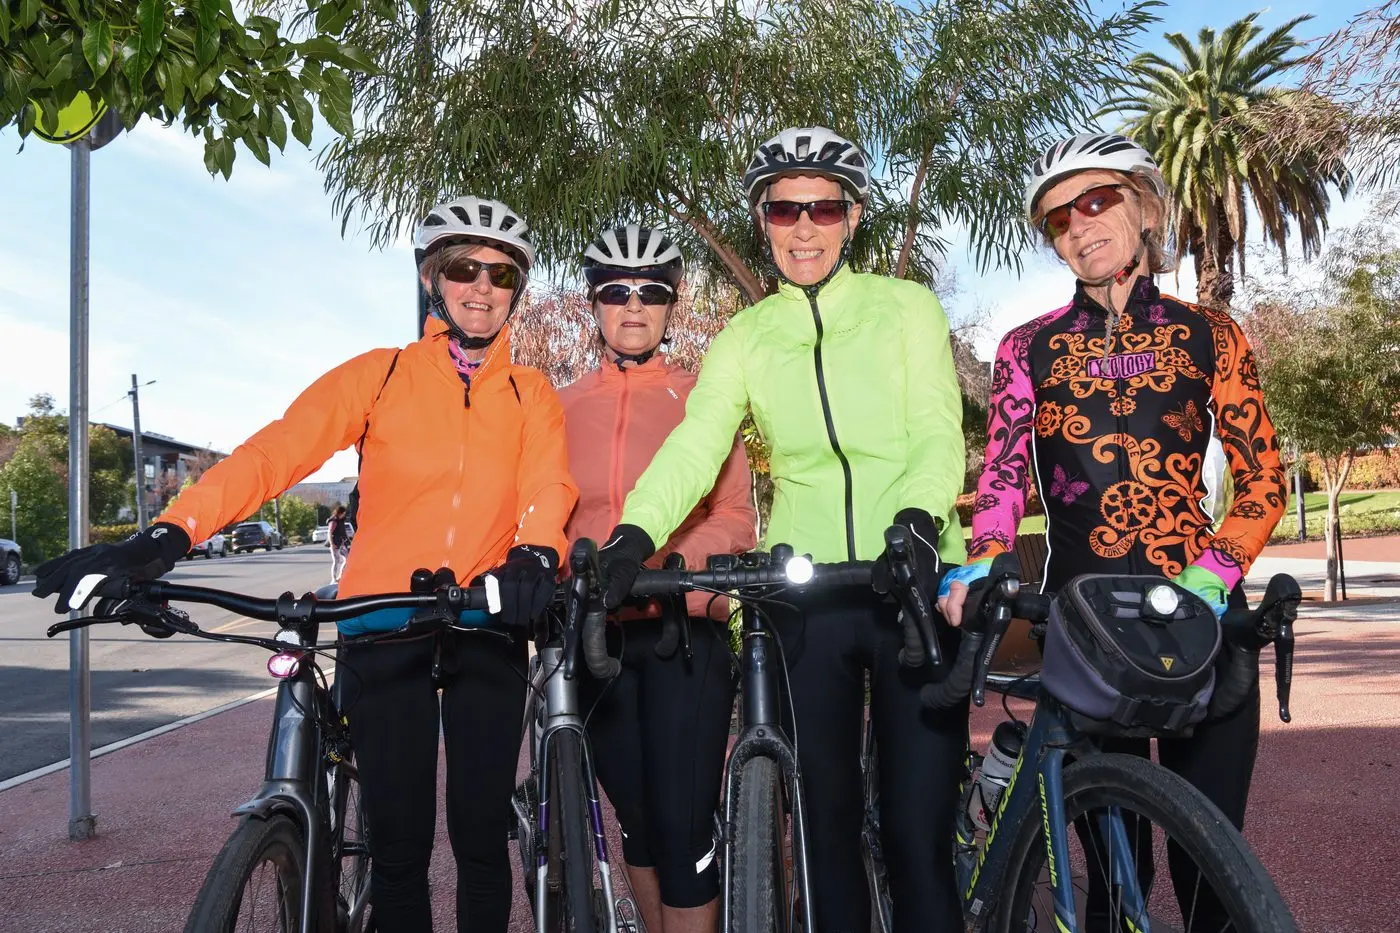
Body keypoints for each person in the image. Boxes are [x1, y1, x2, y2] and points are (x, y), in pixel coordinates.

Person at [33, 195, 579, 933]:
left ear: (516, 289)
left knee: (480, 840)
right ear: (431, 278)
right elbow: (278, 449)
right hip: (382, 619)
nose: (481, 286)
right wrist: (166, 535)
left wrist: (536, 552)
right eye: (462, 267)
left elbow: (550, 483)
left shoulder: (530, 392)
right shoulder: (381, 374)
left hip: (486, 615)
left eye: (501, 273)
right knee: (398, 848)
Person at [594, 127, 969, 932]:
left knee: (915, 835)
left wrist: (917, 518)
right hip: (806, 594)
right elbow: (696, 445)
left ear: (854, 216)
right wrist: (634, 535)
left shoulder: (906, 308)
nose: (804, 226)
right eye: (785, 209)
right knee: (823, 831)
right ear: (763, 221)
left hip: (907, 573)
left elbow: (938, 432)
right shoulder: (746, 337)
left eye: (824, 207)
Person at [941, 133, 1287, 929]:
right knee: (1107, 880)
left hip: (1199, 619)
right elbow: (1002, 476)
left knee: (1212, 879)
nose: (1080, 225)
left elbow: (1262, 479)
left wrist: (1214, 572)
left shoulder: (1211, 335)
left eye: (1097, 201)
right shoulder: (1027, 349)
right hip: (1086, 625)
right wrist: (984, 559)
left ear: (1144, 206)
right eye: (1060, 217)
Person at [561, 223, 757, 933]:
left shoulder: (699, 399)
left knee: (681, 820)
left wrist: (675, 564)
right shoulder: (562, 404)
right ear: (595, 303)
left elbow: (737, 514)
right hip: (595, 635)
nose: (634, 304)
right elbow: (546, 513)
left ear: (672, 304)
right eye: (616, 290)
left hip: (683, 628)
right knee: (635, 815)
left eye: (651, 291)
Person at [328, 503, 352, 583]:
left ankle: (340, 576)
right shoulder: (333, 521)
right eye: (343, 513)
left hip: (342, 543)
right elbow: (330, 533)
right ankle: (333, 579)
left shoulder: (341, 520)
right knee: (336, 561)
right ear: (340, 513)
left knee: (347, 559)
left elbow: (343, 532)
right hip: (335, 544)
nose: (344, 515)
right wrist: (332, 544)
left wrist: (349, 541)